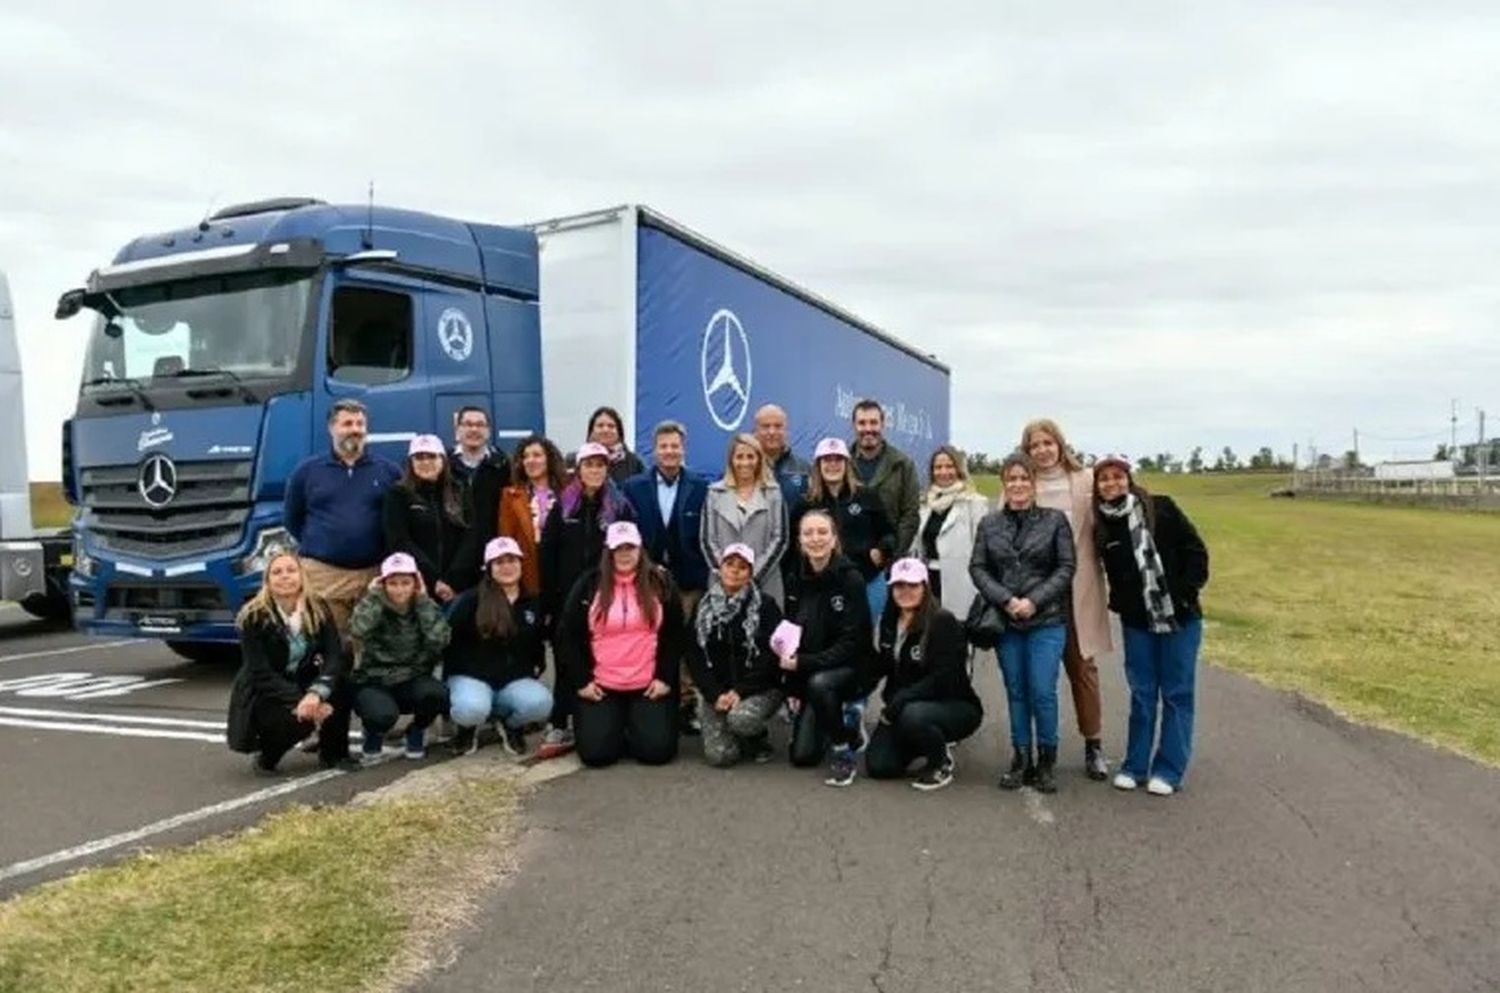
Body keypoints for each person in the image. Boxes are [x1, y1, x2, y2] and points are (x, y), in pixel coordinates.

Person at [1092, 455, 1209, 797]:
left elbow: (1196, 552)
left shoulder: (1162, 508)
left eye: (1117, 477)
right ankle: (1135, 765)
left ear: (1128, 479)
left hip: (1179, 618)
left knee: (1176, 693)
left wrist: (1184, 595)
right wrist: (1120, 604)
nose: (1111, 483)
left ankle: (1169, 769)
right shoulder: (1103, 526)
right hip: (1138, 623)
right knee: (1142, 694)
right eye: (1104, 479)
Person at [970, 452, 1075, 794]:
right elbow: (978, 567)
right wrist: (1006, 600)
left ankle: (1046, 760)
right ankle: (1021, 757)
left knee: (1042, 690)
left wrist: (1034, 600)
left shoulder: (1055, 520)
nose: (1017, 485)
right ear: (1004, 484)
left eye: (1023, 479)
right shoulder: (989, 524)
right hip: (1007, 620)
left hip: (1046, 619)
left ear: (1034, 484)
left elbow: (1065, 567)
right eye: (1011, 479)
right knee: (1016, 691)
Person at [1022, 418, 1114, 781]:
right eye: (1034, 445)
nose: (1042, 450)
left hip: (1079, 589)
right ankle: (1037, 747)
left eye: (1048, 443)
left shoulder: (1086, 481)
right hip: (1037, 594)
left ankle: (1094, 745)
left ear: (1060, 444)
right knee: (1037, 676)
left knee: (1082, 669)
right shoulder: (1022, 484)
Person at [554, 522, 686, 768]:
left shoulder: (661, 582)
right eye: (618, 548)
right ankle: (616, 724)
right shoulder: (589, 584)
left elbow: (675, 633)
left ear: (640, 549)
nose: (624, 554)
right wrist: (583, 681)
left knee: (656, 753)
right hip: (602, 684)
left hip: (647, 684)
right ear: (608, 551)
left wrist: (664, 678)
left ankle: (632, 724)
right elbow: (568, 636)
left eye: (630, 547)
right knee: (596, 756)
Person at [538, 441, 635, 757]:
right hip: (567, 597)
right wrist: (550, 603)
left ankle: (600, 719)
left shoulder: (620, 507)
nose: (595, 470)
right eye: (589, 464)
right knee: (568, 661)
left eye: (600, 465)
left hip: (606, 596)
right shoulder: (562, 507)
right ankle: (558, 721)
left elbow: (631, 551)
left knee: (602, 658)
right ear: (578, 470)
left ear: (608, 469)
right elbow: (547, 557)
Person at [227, 549, 356, 774]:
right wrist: (303, 702)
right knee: (300, 720)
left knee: (341, 685)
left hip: (303, 680)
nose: (285, 576)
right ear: (267, 580)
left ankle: (334, 754)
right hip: (265, 689)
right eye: (277, 572)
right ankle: (267, 757)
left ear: (302, 576)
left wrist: (317, 693)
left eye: (291, 570)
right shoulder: (252, 616)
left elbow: (334, 654)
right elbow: (259, 672)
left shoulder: (318, 608)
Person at [284, 399, 401, 640]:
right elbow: (292, 519)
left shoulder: (388, 471)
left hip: (373, 575)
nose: (355, 429)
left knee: (370, 644)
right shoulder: (307, 472)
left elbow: (399, 521)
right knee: (329, 644)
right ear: (332, 428)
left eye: (360, 423)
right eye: (347, 423)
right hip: (324, 577)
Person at [621, 421, 710, 733]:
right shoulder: (633, 487)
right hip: (646, 579)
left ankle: (686, 706)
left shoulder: (701, 487)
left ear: (683, 449)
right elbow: (628, 534)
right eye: (664, 446)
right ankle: (651, 701)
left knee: (685, 641)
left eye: (675, 446)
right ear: (654, 449)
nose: (670, 452)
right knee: (648, 639)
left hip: (688, 581)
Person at [864, 559, 983, 791]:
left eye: (912, 585)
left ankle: (940, 762)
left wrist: (898, 703)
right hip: (906, 707)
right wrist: (854, 689)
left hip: (952, 705)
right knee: (880, 766)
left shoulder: (942, 621)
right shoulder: (889, 621)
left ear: (925, 587)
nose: (905, 592)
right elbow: (883, 665)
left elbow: (943, 679)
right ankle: (922, 741)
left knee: (913, 715)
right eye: (899, 586)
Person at [782, 508, 873, 787]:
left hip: (850, 668)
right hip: (812, 670)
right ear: (800, 541)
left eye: (823, 532)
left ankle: (843, 749)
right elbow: (792, 631)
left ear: (834, 539)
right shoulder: (795, 578)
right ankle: (844, 723)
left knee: (822, 685)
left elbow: (852, 643)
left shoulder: (851, 579)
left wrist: (805, 664)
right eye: (808, 533)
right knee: (802, 757)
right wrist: (792, 686)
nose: (816, 539)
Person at [443, 537, 553, 757]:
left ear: (521, 563)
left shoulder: (532, 602)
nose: (507, 567)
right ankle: (467, 728)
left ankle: (510, 724)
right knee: (471, 709)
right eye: (499, 562)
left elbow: (538, 643)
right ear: (488, 567)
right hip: (471, 677)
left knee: (541, 703)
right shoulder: (470, 600)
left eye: (512, 560)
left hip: (511, 681)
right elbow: (444, 637)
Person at [686, 544, 785, 767]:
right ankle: (733, 734)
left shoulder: (766, 606)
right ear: (720, 568)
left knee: (741, 719)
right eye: (729, 564)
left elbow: (771, 656)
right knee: (720, 757)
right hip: (717, 689)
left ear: (750, 573)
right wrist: (714, 693)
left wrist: (740, 691)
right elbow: (695, 655)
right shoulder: (702, 606)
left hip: (758, 688)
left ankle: (757, 739)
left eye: (742, 567)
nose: (735, 571)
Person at [348, 552, 452, 762]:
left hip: (412, 678)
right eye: (393, 583)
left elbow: (440, 640)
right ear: (383, 584)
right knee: (381, 714)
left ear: (415, 582)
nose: (399, 589)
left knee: (437, 695)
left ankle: (416, 730)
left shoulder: (425, 605)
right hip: (375, 680)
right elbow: (357, 629)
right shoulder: (373, 604)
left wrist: (423, 601)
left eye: (406, 582)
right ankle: (374, 734)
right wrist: (374, 596)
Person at [793, 437, 896, 620]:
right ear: (818, 465)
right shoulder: (805, 504)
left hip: (867, 581)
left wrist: (882, 550)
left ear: (847, 464)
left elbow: (889, 532)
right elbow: (794, 547)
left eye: (838, 459)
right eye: (827, 460)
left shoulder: (867, 496)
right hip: (822, 585)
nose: (833, 465)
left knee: (865, 639)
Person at [849, 400, 922, 620]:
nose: (868, 429)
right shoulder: (842, 464)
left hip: (888, 565)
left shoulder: (902, 464)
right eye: (862, 423)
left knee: (886, 629)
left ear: (883, 425)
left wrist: (891, 557)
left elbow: (910, 514)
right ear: (854, 426)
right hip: (850, 565)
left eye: (873, 422)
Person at [383, 434, 474, 606]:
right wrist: (433, 580)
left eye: (432, 456)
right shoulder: (398, 494)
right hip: (417, 587)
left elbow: (471, 537)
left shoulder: (459, 491)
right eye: (419, 457)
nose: (425, 462)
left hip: (458, 587)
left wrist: (453, 579)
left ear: (443, 460)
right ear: (411, 462)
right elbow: (398, 540)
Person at [701, 433, 789, 605]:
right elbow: (707, 540)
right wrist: (728, 574)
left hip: (765, 582)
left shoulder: (773, 493)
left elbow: (780, 539)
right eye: (739, 457)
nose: (745, 462)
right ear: (731, 460)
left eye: (751, 456)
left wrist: (752, 574)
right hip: (723, 584)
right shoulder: (714, 494)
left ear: (759, 459)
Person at [911, 444, 990, 615]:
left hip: (961, 583)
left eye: (949, 466)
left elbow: (982, 549)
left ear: (959, 469)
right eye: (938, 467)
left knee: (956, 633)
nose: (943, 472)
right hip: (929, 580)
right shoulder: (925, 504)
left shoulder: (974, 503)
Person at [496, 434, 567, 597]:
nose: (530, 460)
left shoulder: (568, 493)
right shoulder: (510, 495)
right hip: (527, 573)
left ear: (549, 459)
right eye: (525, 457)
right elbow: (506, 538)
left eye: (537, 455)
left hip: (562, 569)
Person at [449, 405, 511, 549]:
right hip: (454, 552)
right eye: (468, 424)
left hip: (493, 549)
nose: (474, 429)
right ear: (457, 430)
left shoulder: (503, 465)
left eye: (480, 425)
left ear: (488, 431)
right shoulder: (444, 464)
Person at [754, 403, 812, 507]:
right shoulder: (744, 467)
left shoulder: (804, 469)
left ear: (786, 431)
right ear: (755, 431)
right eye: (765, 426)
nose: (772, 432)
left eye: (778, 426)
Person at [582, 405, 645, 484]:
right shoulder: (579, 460)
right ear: (591, 431)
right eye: (600, 426)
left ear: (619, 432)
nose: (605, 430)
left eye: (611, 426)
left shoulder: (634, 463)